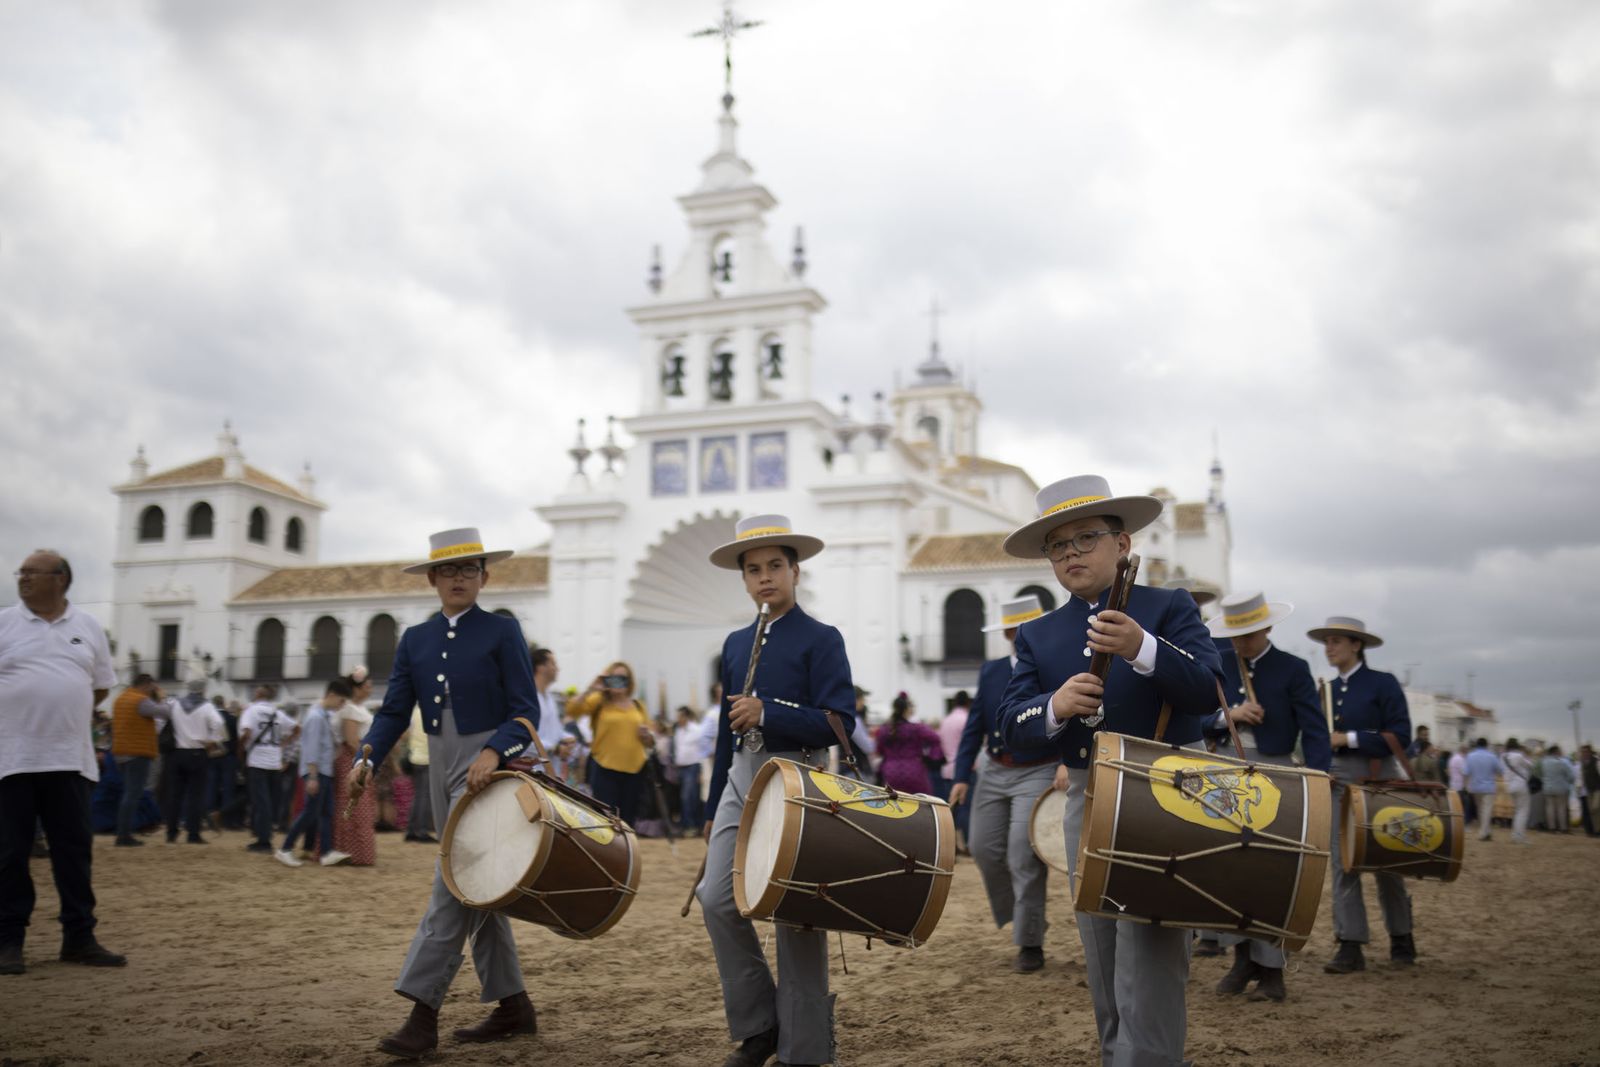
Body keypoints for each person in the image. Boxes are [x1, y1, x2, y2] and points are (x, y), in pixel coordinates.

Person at [997, 477, 1222, 1067]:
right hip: (1088, 797)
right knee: (1100, 949)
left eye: (1085, 538)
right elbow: (1010, 725)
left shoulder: (1168, 607)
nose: (1071, 553)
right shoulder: (1037, 634)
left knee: (1148, 949)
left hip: (1165, 792)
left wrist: (1143, 647)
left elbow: (1205, 690)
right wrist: (1054, 706)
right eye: (1058, 545)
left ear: (1121, 543)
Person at [346, 528, 540, 1058]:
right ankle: (513, 1005)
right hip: (439, 759)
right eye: (450, 571)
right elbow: (392, 711)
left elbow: (527, 710)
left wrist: (494, 751)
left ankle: (422, 1011)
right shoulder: (415, 639)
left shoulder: (503, 631)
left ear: (485, 576)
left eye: (470, 569)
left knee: (452, 879)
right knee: (476, 881)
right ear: (432, 578)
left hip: (485, 768)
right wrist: (366, 754)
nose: (460, 579)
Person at [697, 514, 855, 1067]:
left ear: (794, 571)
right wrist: (714, 796)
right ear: (744, 580)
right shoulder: (736, 643)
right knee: (716, 899)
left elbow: (841, 723)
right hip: (741, 780)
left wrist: (772, 711)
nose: (765, 577)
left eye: (775, 567)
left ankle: (806, 1050)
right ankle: (760, 1025)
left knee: (797, 913)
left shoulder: (822, 638)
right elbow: (725, 729)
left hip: (801, 779)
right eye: (754, 570)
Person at [0, 549, 125, 976]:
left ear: (61, 578)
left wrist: (60, 709)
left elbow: (100, 687)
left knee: (74, 852)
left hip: (70, 759)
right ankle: (8, 940)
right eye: (22, 572)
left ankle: (79, 937)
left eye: (33, 572)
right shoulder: (4, 622)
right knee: (9, 853)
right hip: (11, 759)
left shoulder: (88, 626)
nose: (23, 578)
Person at [1203, 590, 1330, 1002]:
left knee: (1273, 871)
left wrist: (1319, 777)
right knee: (1228, 869)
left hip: (1277, 769)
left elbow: (1314, 728)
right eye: (1236, 636)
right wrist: (1229, 715)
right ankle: (1241, 958)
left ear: (1268, 628)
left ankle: (1272, 969)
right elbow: (1198, 713)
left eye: (1250, 635)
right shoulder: (1218, 663)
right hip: (1226, 768)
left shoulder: (1293, 668)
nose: (1241, 644)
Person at [950, 594, 1058, 974]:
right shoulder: (991, 670)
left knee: (1022, 853)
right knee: (982, 847)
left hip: (1039, 767)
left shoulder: (1053, 665)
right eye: (1015, 630)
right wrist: (961, 776)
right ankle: (1025, 917)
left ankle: (1030, 941)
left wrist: (1068, 761)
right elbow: (975, 725)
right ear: (1010, 633)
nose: (1019, 635)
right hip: (994, 768)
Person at [1309, 615, 1416, 974]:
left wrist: (1349, 738)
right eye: (1326, 642)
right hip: (1338, 781)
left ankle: (1402, 936)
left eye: (1336, 641)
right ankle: (1350, 943)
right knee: (1344, 863)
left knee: (1389, 860)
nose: (1329, 648)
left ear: (1357, 645)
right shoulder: (1323, 691)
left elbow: (1401, 735)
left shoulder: (1382, 684)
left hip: (1378, 778)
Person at [276, 678, 353, 868]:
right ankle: (285, 848)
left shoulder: (321, 715)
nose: (341, 705)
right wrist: (312, 776)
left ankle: (326, 852)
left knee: (325, 813)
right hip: (317, 772)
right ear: (332, 695)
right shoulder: (316, 717)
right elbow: (310, 748)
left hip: (323, 771)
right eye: (341, 700)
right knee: (310, 813)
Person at [572, 661, 654, 826]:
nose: (619, 682)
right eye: (614, 677)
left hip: (635, 770)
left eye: (623, 678)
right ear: (607, 679)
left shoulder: (638, 706)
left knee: (628, 821)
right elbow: (572, 710)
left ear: (630, 681)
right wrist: (592, 687)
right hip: (604, 769)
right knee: (604, 820)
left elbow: (651, 742)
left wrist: (646, 736)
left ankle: (627, 851)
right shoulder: (598, 701)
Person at [238, 685, 298, 853]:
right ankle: (262, 833)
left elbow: (247, 732)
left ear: (258, 694)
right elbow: (297, 728)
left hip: (257, 761)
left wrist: (241, 749)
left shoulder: (251, 710)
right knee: (270, 801)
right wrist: (282, 744)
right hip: (274, 761)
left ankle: (264, 841)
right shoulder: (278, 713)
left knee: (261, 801)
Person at [165, 678, 226, 844]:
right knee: (195, 796)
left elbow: (160, 721)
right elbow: (219, 723)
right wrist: (212, 740)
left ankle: (171, 833)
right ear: (203, 690)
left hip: (177, 753)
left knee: (175, 795)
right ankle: (193, 833)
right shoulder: (207, 706)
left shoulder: (175, 703)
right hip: (198, 753)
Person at [109, 674, 166, 846]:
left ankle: (124, 831)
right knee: (132, 794)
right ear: (147, 684)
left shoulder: (120, 699)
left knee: (128, 793)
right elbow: (164, 713)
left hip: (121, 752)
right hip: (137, 752)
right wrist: (162, 698)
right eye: (152, 687)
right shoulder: (140, 700)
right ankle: (123, 835)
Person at [333, 667, 378, 866]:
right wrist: (363, 761)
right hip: (353, 759)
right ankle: (350, 851)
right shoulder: (350, 709)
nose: (370, 689)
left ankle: (356, 851)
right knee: (353, 806)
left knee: (360, 806)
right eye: (367, 685)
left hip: (361, 758)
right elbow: (352, 741)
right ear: (357, 688)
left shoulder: (360, 709)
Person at [874, 693, 943, 794]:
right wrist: (931, 758)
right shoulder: (917, 728)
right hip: (914, 770)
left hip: (890, 772)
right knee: (921, 804)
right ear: (908, 710)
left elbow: (879, 750)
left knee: (894, 804)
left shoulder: (884, 730)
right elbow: (936, 739)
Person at [401, 705, 436, 843]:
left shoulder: (415, 711)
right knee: (424, 796)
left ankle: (411, 829)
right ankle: (421, 830)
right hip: (426, 757)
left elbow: (407, 734)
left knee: (418, 795)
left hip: (414, 756)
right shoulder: (430, 710)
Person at [673, 706, 706, 833]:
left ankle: (691, 825)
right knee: (685, 797)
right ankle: (688, 824)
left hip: (693, 766)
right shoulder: (678, 731)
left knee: (688, 797)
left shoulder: (697, 730)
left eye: (680, 716)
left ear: (686, 716)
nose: (678, 719)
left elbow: (702, 750)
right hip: (681, 767)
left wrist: (701, 771)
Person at [1464, 738, 1501, 840]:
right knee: (1487, 810)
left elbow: (1466, 772)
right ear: (1487, 745)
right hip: (1488, 787)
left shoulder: (1470, 756)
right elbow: (1500, 770)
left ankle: (1486, 831)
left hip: (1475, 787)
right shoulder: (1492, 756)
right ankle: (1483, 833)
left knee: (1480, 810)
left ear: (1476, 745)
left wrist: (1466, 785)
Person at [1500, 738, 1535, 843]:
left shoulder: (1503, 756)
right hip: (1520, 785)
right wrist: (1527, 754)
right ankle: (1519, 836)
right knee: (1522, 811)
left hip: (1509, 786)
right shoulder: (1519, 756)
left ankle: (1515, 835)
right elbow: (1530, 765)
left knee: (1517, 811)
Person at [1539, 744, 1574, 834]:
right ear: (1556, 752)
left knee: (1549, 808)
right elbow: (1571, 776)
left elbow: (1540, 774)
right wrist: (1569, 782)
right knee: (1561, 808)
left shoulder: (1544, 762)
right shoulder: (1561, 762)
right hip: (1560, 788)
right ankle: (1563, 828)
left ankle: (1552, 828)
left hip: (1547, 787)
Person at [1448, 744, 1476, 827]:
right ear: (1464, 750)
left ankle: (1458, 822)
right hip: (1460, 786)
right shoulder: (1460, 759)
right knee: (1463, 805)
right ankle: (1463, 823)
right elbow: (1464, 772)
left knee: (1456, 805)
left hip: (1454, 784)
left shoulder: (1453, 758)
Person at [1580, 744, 1600, 837]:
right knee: (1591, 810)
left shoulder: (1596, 761)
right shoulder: (1582, 762)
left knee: (1596, 808)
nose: (1584, 753)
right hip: (1588, 789)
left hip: (1597, 789)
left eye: (1586, 751)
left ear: (1590, 752)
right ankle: (1595, 830)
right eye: (1583, 752)